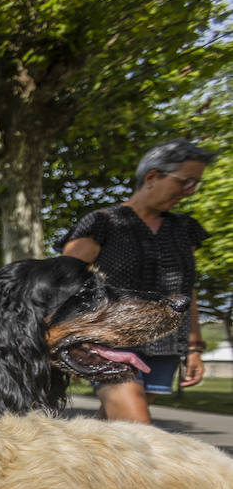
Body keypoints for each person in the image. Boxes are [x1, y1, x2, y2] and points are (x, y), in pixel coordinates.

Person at [58, 138, 215, 422]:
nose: (190, 192)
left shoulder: (184, 229)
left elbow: (186, 288)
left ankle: (73, 465)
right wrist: (71, 339)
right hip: (111, 340)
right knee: (139, 429)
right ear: (152, 177)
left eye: (196, 185)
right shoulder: (103, 223)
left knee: (111, 428)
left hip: (166, 341)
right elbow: (63, 284)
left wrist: (194, 347)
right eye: (185, 182)